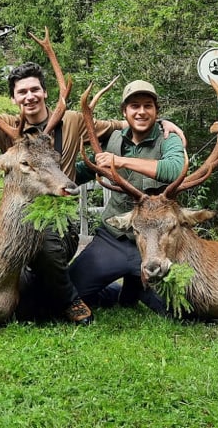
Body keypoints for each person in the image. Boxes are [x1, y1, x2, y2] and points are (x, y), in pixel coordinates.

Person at [0, 45, 184, 326]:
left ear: (45, 92)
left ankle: (70, 299)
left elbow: (121, 125)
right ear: (13, 98)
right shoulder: (7, 128)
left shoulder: (73, 121)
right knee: (32, 297)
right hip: (18, 221)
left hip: (61, 225)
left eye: (35, 89)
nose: (30, 96)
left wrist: (161, 123)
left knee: (45, 242)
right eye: (22, 92)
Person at [69, 79, 185, 311]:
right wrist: (57, 178)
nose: (141, 111)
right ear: (125, 111)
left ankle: (138, 289)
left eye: (148, 106)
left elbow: (175, 169)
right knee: (72, 291)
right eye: (134, 106)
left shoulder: (168, 138)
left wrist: (120, 161)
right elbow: (87, 169)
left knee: (180, 309)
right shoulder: (113, 138)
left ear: (156, 111)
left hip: (159, 241)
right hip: (115, 238)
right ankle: (123, 291)